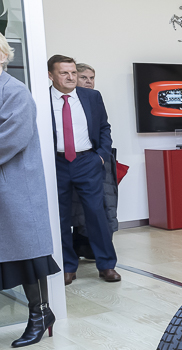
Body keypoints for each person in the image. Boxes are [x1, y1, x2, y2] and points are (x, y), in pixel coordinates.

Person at [0, 34, 60, 347]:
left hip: (15, 187)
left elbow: (12, 138)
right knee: (10, 255)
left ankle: (40, 314)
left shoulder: (14, 91)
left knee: (26, 255)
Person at [49, 54, 120, 284]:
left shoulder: (91, 97)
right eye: (64, 73)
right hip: (56, 163)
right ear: (51, 75)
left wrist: (100, 157)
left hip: (86, 161)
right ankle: (68, 267)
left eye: (72, 73)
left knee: (96, 214)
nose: (71, 77)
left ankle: (107, 265)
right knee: (60, 217)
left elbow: (104, 128)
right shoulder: (41, 98)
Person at [71, 63, 119, 261]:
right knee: (76, 207)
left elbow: (104, 127)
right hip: (71, 160)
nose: (88, 81)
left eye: (91, 78)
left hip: (97, 159)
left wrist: (101, 154)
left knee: (103, 204)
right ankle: (79, 246)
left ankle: (97, 251)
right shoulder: (62, 100)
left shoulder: (95, 98)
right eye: (84, 77)